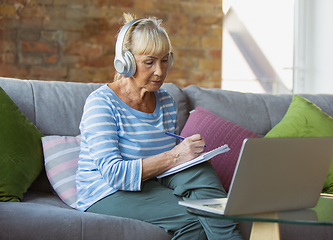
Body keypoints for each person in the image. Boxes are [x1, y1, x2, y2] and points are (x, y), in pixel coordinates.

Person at [75, 13, 242, 240]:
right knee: (194, 218)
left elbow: (168, 163)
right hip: (106, 192)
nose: (160, 71)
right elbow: (115, 175)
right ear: (127, 62)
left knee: (200, 171)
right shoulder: (101, 103)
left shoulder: (166, 101)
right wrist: (175, 156)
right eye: (149, 62)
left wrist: (191, 159)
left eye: (165, 60)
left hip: (151, 182)